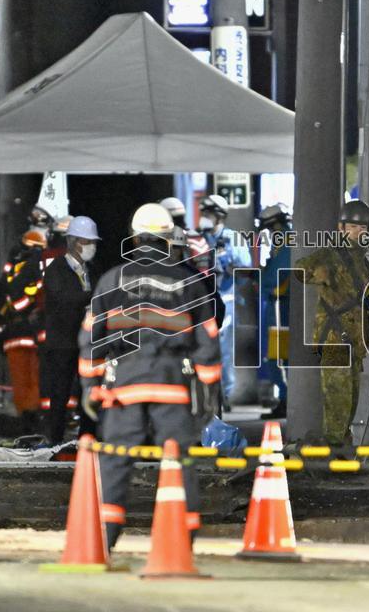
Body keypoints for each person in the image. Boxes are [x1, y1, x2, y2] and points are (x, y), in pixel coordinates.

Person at [81, 203, 220, 549]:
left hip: (123, 389)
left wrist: (90, 386)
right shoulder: (189, 283)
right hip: (172, 388)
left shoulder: (111, 280)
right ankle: (181, 541)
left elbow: (91, 340)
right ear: (169, 239)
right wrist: (208, 388)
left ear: (134, 237)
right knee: (178, 463)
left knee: (115, 461)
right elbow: (208, 342)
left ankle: (105, 539)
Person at [296, 200, 369, 445]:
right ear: (341, 227)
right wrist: (322, 273)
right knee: (338, 400)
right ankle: (333, 452)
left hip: (355, 342)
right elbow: (300, 270)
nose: (358, 232)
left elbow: (364, 302)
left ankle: (341, 450)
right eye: (353, 227)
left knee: (351, 400)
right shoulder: (329, 254)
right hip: (335, 340)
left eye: (362, 228)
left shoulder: (363, 262)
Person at [40, 215, 99, 445]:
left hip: (86, 343)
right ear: (74, 242)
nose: (91, 247)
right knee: (60, 393)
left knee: (89, 392)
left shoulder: (92, 270)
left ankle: (87, 437)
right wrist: (88, 298)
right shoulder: (56, 269)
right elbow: (62, 299)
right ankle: (55, 439)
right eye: (87, 242)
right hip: (62, 342)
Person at [199, 195, 251, 402]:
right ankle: (204, 394)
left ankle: (224, 395)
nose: (204, 218)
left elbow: (246, 271)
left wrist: (230, 268)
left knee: (224, 351)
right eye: (203, 213)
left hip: (226, 298)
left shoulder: (233, 238)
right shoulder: (198, 238)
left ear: (219, 216)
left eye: (208, 214)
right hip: (201, 301)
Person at [0, 230, 48, 435]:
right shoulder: (40, 266)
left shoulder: (13, 267)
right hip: (33, 332)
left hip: (16, 332)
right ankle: (35, 419)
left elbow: (3, 298)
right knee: (36, 379)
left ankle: (27, 420)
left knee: (22, 382)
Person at [257, 205, 292, 419]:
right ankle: (286, 398)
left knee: (279, 356)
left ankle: (287, 400)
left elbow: (277, 274)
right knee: (278, 355)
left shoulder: (286, 242)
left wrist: (258, 278)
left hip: (281, 306)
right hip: (280, 304)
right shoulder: (284, 242)